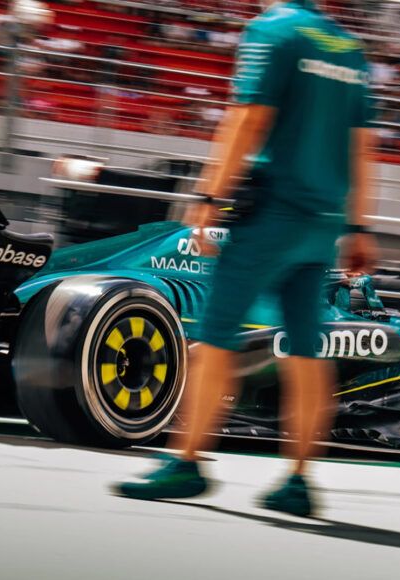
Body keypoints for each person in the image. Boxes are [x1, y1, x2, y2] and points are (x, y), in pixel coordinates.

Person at [114, 0, 377, 517]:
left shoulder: (273, 31)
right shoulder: (350, 50)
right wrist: (359, 227)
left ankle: (186, 463)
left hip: (270, 215)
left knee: (215, 335)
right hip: (321, 223)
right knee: (306, 351)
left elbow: (249, 117)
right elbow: (362, 147)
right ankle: (299, 480)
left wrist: (209, 195)